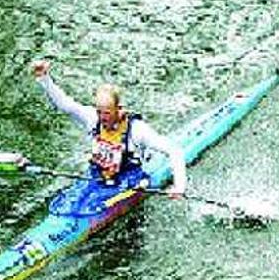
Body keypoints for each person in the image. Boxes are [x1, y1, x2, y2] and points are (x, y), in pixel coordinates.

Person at [31, 60, 186, 199]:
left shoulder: (137, 130)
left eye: (107, 113)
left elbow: (175, 151)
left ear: (118, 109)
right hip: (99, 176)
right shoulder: (93, 118)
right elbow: (65, 105)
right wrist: (44, 78)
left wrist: (179, 186)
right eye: (99, 111)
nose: (102, 117)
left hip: (129, 178)